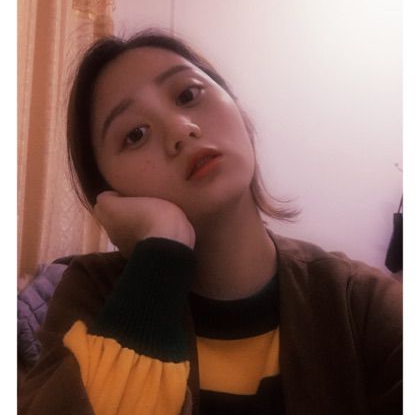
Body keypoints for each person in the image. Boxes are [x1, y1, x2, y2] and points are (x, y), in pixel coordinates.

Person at [19, 29, 402, 415]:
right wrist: (160, 259)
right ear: (109, 192)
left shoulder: (363, 305)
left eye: (188, 95)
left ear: (238, 111)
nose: (180, 129)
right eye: (135, 135)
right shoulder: (90, 294)